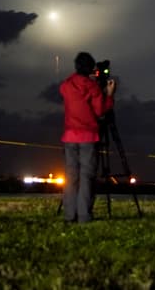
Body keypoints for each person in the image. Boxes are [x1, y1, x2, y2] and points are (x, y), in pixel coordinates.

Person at [59, 51, 115, 223]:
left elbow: (64, 87)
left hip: (69, 136)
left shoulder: (67, 85)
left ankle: (69, 215)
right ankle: (84, 215)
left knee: (71, 176)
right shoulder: (92, 88)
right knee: (87, 176)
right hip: (88, 136)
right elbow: (100, 111)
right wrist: (109, 94)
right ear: (90, 68)